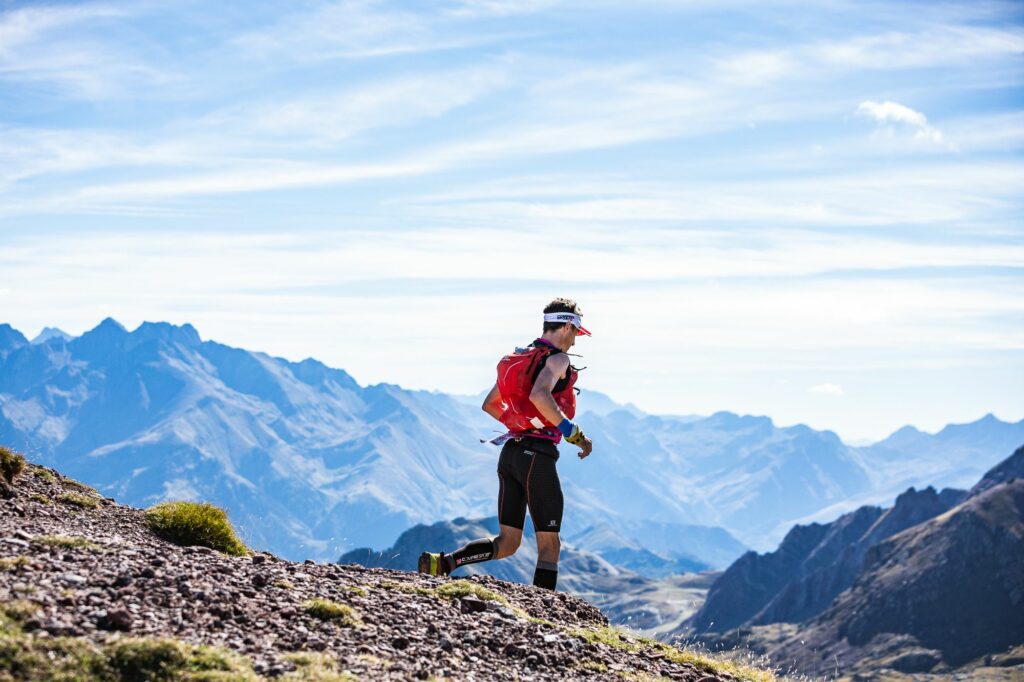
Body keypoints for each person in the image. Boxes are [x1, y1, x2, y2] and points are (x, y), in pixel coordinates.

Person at [417, 298, 593, 591]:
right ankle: (544, 614)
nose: (575, 340)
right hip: (537, 458)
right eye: (575, 332)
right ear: (565, 326)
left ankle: (442, 564)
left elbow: (490, 404)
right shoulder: (558, 359)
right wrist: (573, 433)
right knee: (550, 546)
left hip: (511, 454)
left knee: (508, 542)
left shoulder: (522, 359)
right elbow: (540, 396)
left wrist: (522, 425)